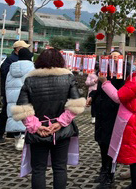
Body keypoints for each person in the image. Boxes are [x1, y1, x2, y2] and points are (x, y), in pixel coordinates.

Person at [11, 48, 86, 189]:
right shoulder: (68, 78)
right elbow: (76, 104)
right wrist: (60, 123)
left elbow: (22, 108)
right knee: (60, 168)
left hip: (39, 132)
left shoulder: (30, 80)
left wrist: (36, 126)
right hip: (62, 131)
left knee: (38, 170)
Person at [99, 54, 136, 189]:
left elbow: (118, 97)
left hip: (132, 120)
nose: (134, 66)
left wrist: (105, 82)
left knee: (134, 153)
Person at [91, 50, 131, 189]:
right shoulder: (104, 71)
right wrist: (92, 96)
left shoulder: (124, 73)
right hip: (101, 113)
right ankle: (103, 170)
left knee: (111, 145)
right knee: (102, 142)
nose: (113, 59)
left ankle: (110, 175)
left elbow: (120, 94)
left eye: (117, 57)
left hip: (114, 114)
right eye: (111, 57)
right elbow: (98, 89)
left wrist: (106, 81)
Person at [0, 40, 31, 145]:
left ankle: (11, 133)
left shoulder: (15, 60)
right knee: (6, 112)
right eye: (24, 48)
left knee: (12, 112)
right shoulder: (11, 60)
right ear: (17, 49)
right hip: (10, 91)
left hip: (15, 91)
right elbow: (5, 74)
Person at [5, 48, 35, 151]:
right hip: (26, 97)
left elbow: (7, 84)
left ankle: (17, 136)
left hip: (12, 97)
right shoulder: (32, 69)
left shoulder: (11, 69)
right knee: (26, 116)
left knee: (15, 116)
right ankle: (22, 137)